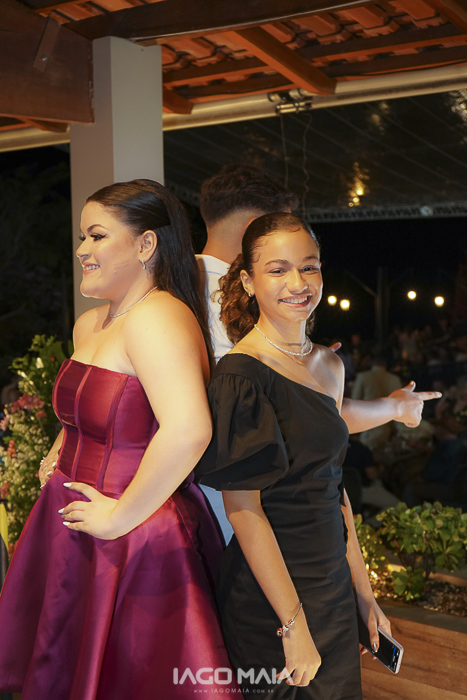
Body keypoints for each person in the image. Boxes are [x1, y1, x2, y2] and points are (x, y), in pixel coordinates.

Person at [0, 179, 240, 700]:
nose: (82, 250)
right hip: (77, 524)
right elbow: (84, 415)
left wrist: (117, 517)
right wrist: (57, 453)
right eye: (82, 237)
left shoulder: (159, 317)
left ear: (146, 244)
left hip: (135, 534)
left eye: (97, 236)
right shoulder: (92, 324)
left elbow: (189, 428)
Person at [196, 212, 390, 698]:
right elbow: (243, 511)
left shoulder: (330, 365)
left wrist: (364, 595)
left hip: (332, 591)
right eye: (278, 269)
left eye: (309, 267)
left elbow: (334, 489)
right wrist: (292, 625)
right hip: (271, 601)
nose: (298, 283)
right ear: (248, 280)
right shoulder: (240, 375)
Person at [197, 164, 441, 539]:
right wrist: (393, 407)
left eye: (309, 265)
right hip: (251, 520)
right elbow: (304, 425)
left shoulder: (175, 284)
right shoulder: (232, 320)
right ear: (256, 233)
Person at [351, 356, 402, 450]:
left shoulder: (363, 376)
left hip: (368, 427)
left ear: (372, 364)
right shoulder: (395, 379)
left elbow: (354, 401)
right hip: (389, 427)